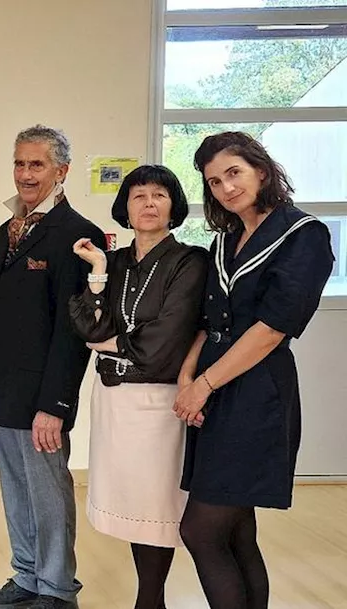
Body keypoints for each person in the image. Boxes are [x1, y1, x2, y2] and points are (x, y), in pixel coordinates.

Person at [173, 132, 334, 609]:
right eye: (214, 181)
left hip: (256, 393)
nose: (225, 187)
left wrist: (203, 385)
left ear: (261, 171)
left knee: (200, 530)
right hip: (213, 388)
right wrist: (188, 379)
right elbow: (206, 323)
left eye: (234, 173)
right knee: (237, 532)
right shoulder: (224, 242)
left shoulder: (304, 235)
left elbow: (272, 329)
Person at [0, 125, 104, 609]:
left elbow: (74, 333)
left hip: (42, 398)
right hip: (1, 391)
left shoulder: (76, 234)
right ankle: (26, 577)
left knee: (47, 495)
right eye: (20, 164)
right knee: (16, 492)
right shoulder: (6, 231)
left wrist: (55, 406)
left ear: (62, 171)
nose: (26, 174)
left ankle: (57, 589)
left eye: (37, 165)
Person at [68, 165, 207, 609]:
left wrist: (112, 343)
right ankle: (150, 599)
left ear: (174, 206)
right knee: (132, 505)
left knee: (156, 506)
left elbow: (166, 341)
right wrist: (98, 271)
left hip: (159, 402)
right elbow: (88, 327)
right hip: (113, 400)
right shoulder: (117, 262)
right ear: (125, 207)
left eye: (159, 196)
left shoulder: (190, 260)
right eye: (138, 196)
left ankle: (150, 600)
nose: (148, 204)